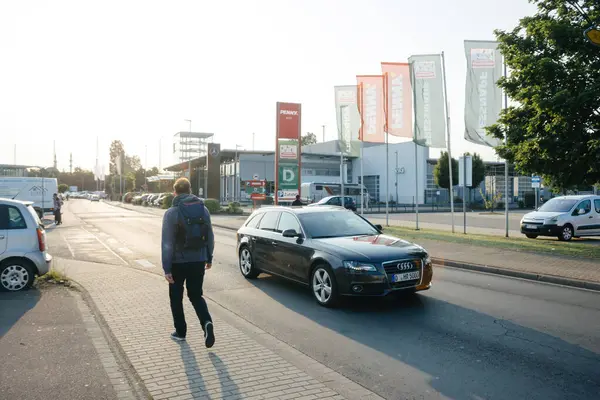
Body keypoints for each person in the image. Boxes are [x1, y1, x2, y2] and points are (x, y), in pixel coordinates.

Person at [161, 177, 215, 347]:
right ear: (190, 190)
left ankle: (181, 332)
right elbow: (210, 236)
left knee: (176, 298)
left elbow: (167, 243)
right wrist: (209, 257)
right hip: (198, 260)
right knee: (196, 295)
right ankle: (206, 322)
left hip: (177, 263)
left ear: (174, 192)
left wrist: (166, 268)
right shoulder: (203, 210)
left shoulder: (171, 213)